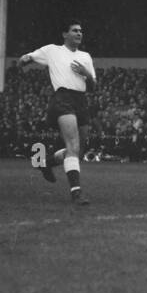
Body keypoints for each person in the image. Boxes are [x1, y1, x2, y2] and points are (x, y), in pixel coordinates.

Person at [19, 20, 96, 206]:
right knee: (73, 145)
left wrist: (86, 73)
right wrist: (25, 60)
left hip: (81, 100)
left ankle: (46, 163)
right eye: (75, 30)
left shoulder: (85, 56)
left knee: (78, 151)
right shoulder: (52, 50)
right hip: (62, 99)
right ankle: (76, 193)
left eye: (81, 31)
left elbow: (93, 87)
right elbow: (27, 57)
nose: (79, 33)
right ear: (64, 34)